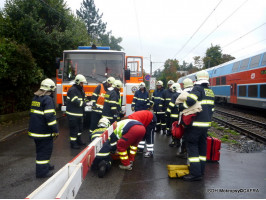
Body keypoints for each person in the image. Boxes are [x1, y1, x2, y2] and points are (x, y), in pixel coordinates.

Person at [182, 70, 215, 181]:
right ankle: (200, 171)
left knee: (192, 146)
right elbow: (212, 109)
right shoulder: (210, 91)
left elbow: (190, 100)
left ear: (197, 79)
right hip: (206, 124)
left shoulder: (197, 88)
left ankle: (195, 174)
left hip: (196, 124)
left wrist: (184, 106)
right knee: (202, 147)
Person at [28, 78, 58, 178]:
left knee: (41, 150)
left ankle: (45, 166)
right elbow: (50, 117)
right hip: (43, 132)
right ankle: (42, 173)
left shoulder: (36, 98)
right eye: (53, 90)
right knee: (44, 152)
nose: (53, 92)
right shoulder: (48, 99)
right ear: (50, 89)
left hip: (35, 131)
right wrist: (55, 130)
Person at [66, 74, 87, 149]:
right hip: (73, 114)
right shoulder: (72, 90)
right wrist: (85, 104)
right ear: (77, 82)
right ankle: (73, 143)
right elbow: (75, 101)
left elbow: (84, 98)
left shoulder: (80, 89)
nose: (82, 84)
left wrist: (87, 102)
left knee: (80, 129)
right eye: (81, 83)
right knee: (74, 129)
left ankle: (79, 140)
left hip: (79, 114)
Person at [176, 78, 194, 158]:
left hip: (186, 118)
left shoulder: (183, 93)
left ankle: (184, 152)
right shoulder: (196, 92)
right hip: (196, 118)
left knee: (185, 135)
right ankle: (191, 152)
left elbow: (179, 106)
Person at [166, 83, 182, 147]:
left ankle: (174, 142)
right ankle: (178, 141)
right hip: (181, 116)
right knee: (180, 129)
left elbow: (171, 105)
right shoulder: (182, 93)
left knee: (174, 129)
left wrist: (167, 112)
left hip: (174, 115)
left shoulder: (174, 95)